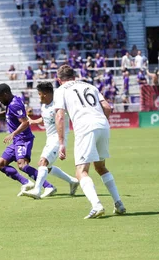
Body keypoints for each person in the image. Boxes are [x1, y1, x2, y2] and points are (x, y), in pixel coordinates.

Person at [54, 65, 126, 218]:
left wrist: (61, 143)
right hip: (102, 124)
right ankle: (118, 203)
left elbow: (60, 116)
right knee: (101, 167)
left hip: (85, 127)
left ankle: (97, 205)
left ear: (59, 80)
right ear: (74, 76)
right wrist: (101, 123)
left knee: (81, 171)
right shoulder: (90, 85)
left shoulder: (61, 90)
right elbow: (107, 106)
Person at [0, 83, 56, 196]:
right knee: (1, 164)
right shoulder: (11, 103)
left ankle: (48, 186)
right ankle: (26, 182)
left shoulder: (15, 104)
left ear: (5, 94)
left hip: (23, 139)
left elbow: (25, 122)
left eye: (0, 98)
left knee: (22, 165)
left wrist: (13, 134)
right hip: (17, 140)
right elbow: (7, 114)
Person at [21, 82, 80, 199]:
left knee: (43, 162)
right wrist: (33, 121)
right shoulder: (44, 106)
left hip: (58, 139)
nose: (39, 97)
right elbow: (45, 119)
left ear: (46, 94)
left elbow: (62, 117)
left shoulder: (59, 105)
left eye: (40, 94)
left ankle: (37, 190)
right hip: (50, 139)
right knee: (46, 167)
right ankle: (72, 181)